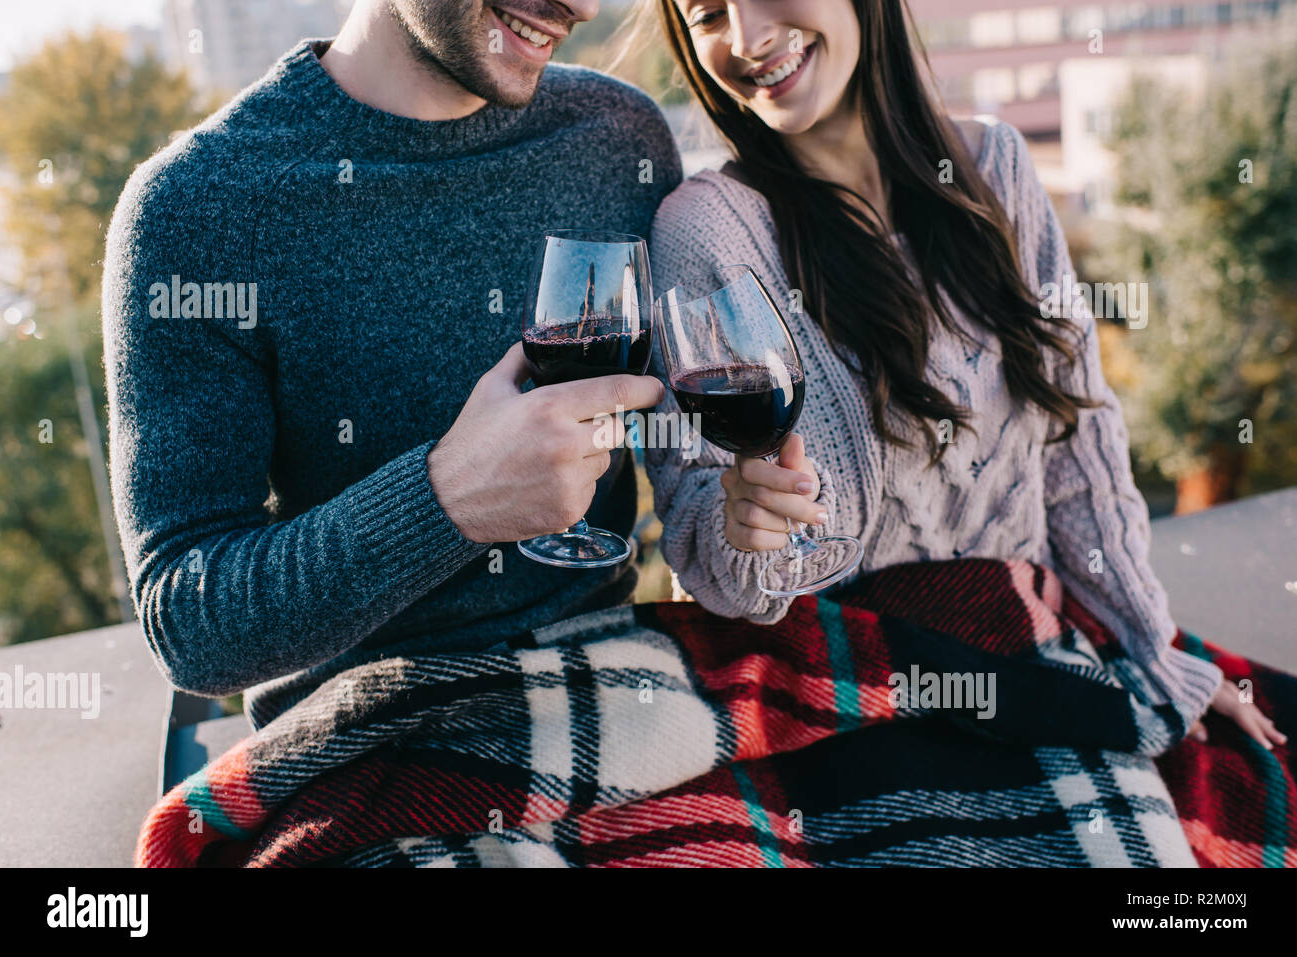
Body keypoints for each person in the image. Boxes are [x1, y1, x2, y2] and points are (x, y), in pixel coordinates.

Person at [639, 0, 1285, 749]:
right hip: (832, 694)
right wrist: (743, 530)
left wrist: (1153, 647)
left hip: (1033, 653)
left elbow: (1079, 444)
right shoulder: (705, 230)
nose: (748, 40)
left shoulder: (997, 169)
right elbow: (706, 545)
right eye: (709, 13)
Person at [102, 0, 680, 728]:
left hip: (623, 696)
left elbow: (682, 443)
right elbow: (189, 625)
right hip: (366, 737)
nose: (584, 6)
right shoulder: (199, 207)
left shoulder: (616, 137)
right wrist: (448, 500)